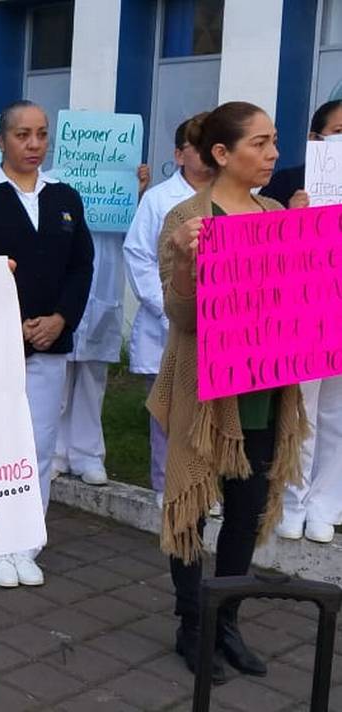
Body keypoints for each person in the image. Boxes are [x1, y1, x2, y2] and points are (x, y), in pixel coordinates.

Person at [153, 101, 307, 684]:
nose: (273, 154)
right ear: (223, 154)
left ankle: (227, 622)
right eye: (260, 144)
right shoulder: (187, 217)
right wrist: (189, 260)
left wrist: (310, 243)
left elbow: (298, 303)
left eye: (274, 142)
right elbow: (181, 314)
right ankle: (192, 624)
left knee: (246, 512)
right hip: (204, 391)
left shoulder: (273, 212)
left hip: (264, 389)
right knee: (190, 509)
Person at [0, 99, 94, 589]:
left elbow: (81, 266)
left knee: (39, 444)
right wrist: (12, 324)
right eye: (22, 135)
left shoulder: (65, 197)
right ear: (2, 139)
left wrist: (60, 318)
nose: (34, 145)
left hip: (50, 342)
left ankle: (27, 540)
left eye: (41, 134)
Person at [123, 114, 214, 507]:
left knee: (208, 409)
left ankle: (204, 484)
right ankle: (167, 484)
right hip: (166, 323)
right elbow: (138, 256)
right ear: (180, 155)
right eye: (199, 147)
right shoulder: (159, 199)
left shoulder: (229, 196)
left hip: (215, 325)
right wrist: (169, 309)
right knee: (168, 411)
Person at [265, 100, 342, 544]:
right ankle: (291, 501)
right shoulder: (287, 182)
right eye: (338, 131)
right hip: (304, 312)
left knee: (337, 413)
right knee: (301, 411)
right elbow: (264, 256)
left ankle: (326, 503)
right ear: (316, 140)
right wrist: (292, 221)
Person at [53, 162, 151, 487]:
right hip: (64, 291)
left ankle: (88, 454)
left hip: (104, 290)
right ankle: (56, 453)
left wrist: (131, 194)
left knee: (92, 378)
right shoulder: (55, 183)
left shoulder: (118, 182)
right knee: (59, 379)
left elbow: (134, 235)